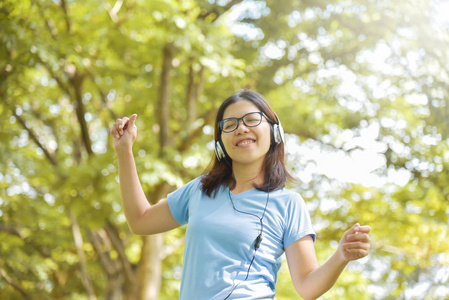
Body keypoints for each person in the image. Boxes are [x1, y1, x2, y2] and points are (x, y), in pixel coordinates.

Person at [110, 91, 371, 300]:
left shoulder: (289, 204)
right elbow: (140, 220)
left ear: (274, 132)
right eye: (230, 124)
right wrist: (124, 150)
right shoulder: (200, 190)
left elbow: (306, 286)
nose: (241, 129)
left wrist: (341, 256)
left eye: (251, 120)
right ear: (220, 141)